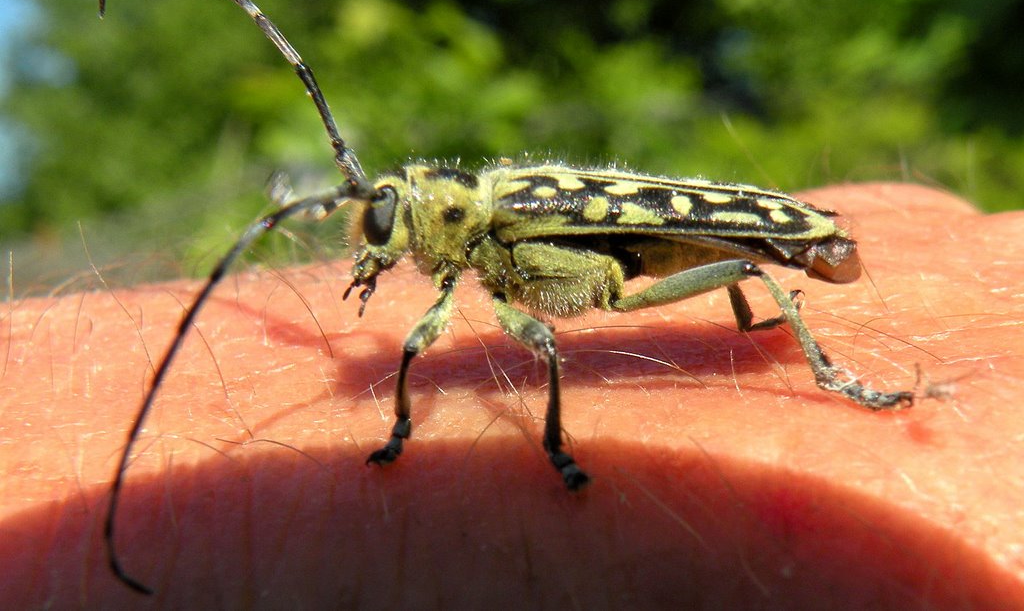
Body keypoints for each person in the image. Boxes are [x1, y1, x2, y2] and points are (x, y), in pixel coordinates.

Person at [2, 183, 1021, 607]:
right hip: (666, 245)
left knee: (557, 338)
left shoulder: (501, 231)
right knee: (447, 345)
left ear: (436, 220)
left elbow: (536, 321)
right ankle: (431, 429)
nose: (384, 244)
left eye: (389, 229)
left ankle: (823, 375)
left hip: (693, 243)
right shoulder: (461, 255)